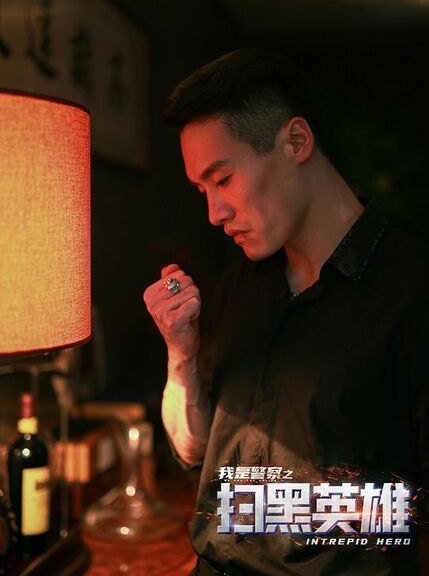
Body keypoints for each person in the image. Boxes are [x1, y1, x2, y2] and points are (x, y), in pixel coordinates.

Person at [143, 48, 429, 575]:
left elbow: (414, 515)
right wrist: (181, 356)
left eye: (223, 180)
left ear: (296, 142)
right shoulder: (241, 279)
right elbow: (195, 454)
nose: (214, 213)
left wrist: (276, 508)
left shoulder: (412, 290)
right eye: (201, 190)